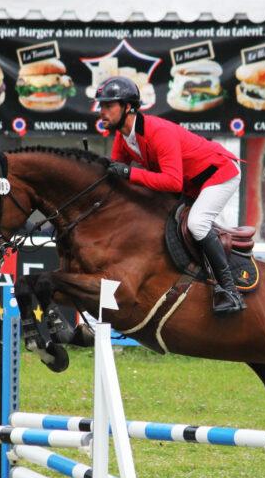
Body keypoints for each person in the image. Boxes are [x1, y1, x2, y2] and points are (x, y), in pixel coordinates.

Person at [98, 76, 244, 315]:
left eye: (108, 106)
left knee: (197, 224)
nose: (102, 112)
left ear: (127, 107)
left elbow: (171, 181)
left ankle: (230, 291)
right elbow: (117, 176)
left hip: (220, 174)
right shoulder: (122, 136)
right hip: (191, 184)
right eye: (101, 106)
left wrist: (130, 173)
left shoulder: (158, 132)